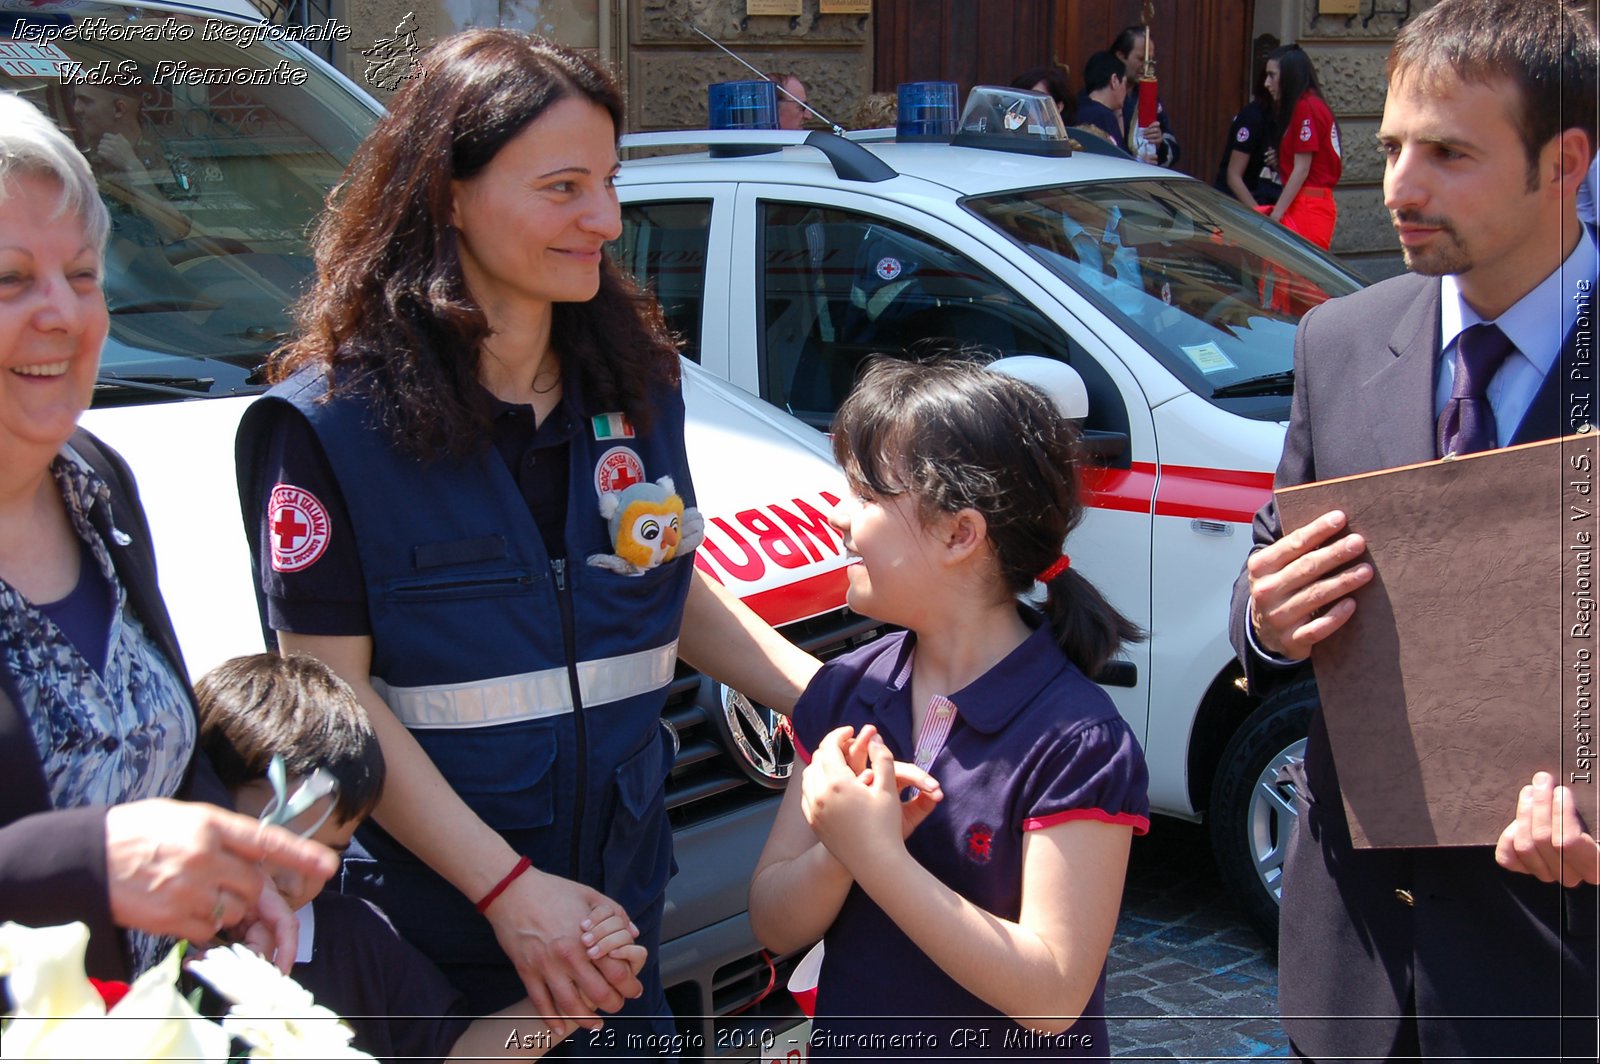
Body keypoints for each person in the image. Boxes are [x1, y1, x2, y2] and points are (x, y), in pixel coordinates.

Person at [233, 29, 820, 1052]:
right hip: (435, 950)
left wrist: (838, 698)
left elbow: (661, 584)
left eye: (607, 180)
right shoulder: (328, 429)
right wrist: (507, 889)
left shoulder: (638, 390)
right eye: (562, 187)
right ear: (447, 194)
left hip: (613, 925)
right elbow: (337, 706)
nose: (604, 218)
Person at [1228, 1, 1598, 1059]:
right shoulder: (1336, 343)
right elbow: (1267, 573)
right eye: (1390, 145)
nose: (1395, 187)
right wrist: (1265, 617)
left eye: (1446, 153)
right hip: (1351, 976)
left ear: (1563, 160)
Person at [0, 91, 335, 981]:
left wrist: (231, 880)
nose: (62, 315)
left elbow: (160, 748)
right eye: (9, 280)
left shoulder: (94, 482)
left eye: (81, 275)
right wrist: (91, 865)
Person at [750, 357, 1150, 1056]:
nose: (842, 521)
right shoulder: (844, 692)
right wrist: (839, 851)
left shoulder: (1077, 738)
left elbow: (1053, 997)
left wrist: (875, 854)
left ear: (961, 534)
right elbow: (773, 923)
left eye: (868, 497)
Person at [194, 652, 646, 1062]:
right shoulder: (140, 938)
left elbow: (459, 1056)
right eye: (274, 845)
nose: (292, 883)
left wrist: (572, 1004)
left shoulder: (358, 940)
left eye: (323, 857)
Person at [1260, 45, 1341, 249]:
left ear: (1289, 76)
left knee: (1294, 277)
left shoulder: (1305, 107)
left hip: (1308, 205)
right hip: (1310, 203)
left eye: (1272, 75)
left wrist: (1277, 213)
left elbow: (1302, 168)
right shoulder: (1311, 104)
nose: (1266, 83)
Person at [1214, 66, 1281, 209]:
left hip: (1270, 202)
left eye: (1273, 76)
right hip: (1239, 208)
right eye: (1268, 75)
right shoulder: (1253, 117)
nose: (1267, 83)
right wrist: (1259, 217)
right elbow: (1233, 176)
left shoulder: (1287, 117)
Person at [1110, 26, 1178, 167]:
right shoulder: (1102, 92)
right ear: (1121, 56)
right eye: (1141, 59)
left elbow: (1174, 149)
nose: (1146, 67)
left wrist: (1159, 144)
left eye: (1150, 61)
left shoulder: (1148, 97)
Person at [1074, 52, 1129, 153]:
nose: (1126, 92)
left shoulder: (1077, 107)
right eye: (1125, 83)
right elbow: (1119, 160)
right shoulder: (1103, 116)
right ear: (1114, 80)